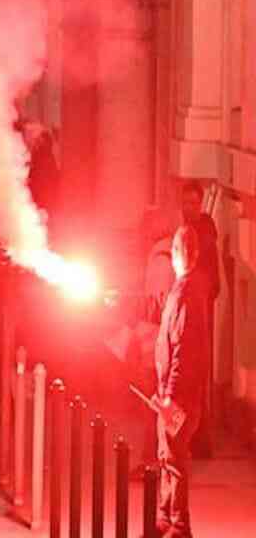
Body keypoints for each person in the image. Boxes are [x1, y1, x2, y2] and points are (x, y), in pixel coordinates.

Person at [153, 224, 210, 538]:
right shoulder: (187, 288)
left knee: (174, 458)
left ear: (177, 255)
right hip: (175, 392)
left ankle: (178, 526)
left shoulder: (187, 291)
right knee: (167, 456)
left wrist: (169, 396)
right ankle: (164, 520)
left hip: (179, 395)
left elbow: (185, 348)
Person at [179, 181, 218, 459]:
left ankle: (200, 439)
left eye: (193, 203)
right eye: (185, 202)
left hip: (201, 308)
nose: (188, 208)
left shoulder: (202, 232)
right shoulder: (191, 229)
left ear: (200, 203)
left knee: (198, 376)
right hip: (195, 306)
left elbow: (209, 276)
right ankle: (196, 437)